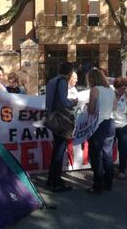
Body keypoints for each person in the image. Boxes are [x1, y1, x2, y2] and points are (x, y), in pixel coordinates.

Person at [45, 62, 78, 192]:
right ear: (69, 72)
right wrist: (73, 102)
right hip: (60, 120)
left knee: (56, 150)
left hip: (52, 117)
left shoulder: (52, 81)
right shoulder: (62, 81)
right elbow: (64, 102)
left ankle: (52, 179)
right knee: (59, 150)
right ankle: (56, 182)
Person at [86, 69, 116, 194]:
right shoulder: (110, 90)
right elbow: (114, 107)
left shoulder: (95, 89)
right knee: (107, 154)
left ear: (92, 79)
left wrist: (88, 106)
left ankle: (97, 185)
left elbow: (92, 110)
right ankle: (108, 183)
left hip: (98, 125)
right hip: (110, 123)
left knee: (96, 155)